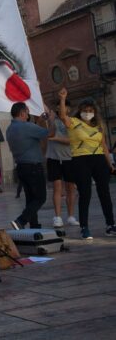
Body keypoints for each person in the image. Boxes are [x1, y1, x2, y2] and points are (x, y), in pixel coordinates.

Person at [58, 88, 116, 239]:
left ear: (94, 112)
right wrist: (63, 98)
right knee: (85, 194)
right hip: (80, 160)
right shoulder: (74, 122)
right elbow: (63, 116)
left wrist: (110, 163)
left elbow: (103, 145)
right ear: (80, 111)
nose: (88, 112)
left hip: (99, 160)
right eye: (85, 110)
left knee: (105, 193)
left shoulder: (98, 126)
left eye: (90, 110)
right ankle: (84, 227)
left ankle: (110, 225)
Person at [6, 102, 54, 230]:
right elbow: (50, 133)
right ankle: (21, 221)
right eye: (27, 112)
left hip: (21, 167)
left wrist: (39, 122)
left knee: (30, 199)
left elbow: (32, 133)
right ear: (22, 113)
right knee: (40, 198)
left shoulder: (10, 129)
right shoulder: (26, 126)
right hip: (33, 167)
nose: (28, 115)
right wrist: (51, 119)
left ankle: (34, 226)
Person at [46, 100, 79, 228]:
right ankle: (58, 217)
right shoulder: (51, 119)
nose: (61, 108)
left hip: (69, 158)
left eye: (64, 106)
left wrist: (56, 139)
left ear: (69, 109)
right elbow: (43, 106)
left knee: (71, 188)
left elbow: (71, 140)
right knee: (57, 188)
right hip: (54, 158)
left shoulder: (72, 122)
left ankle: (71, 216)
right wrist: (36, 87)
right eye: (59, 106)